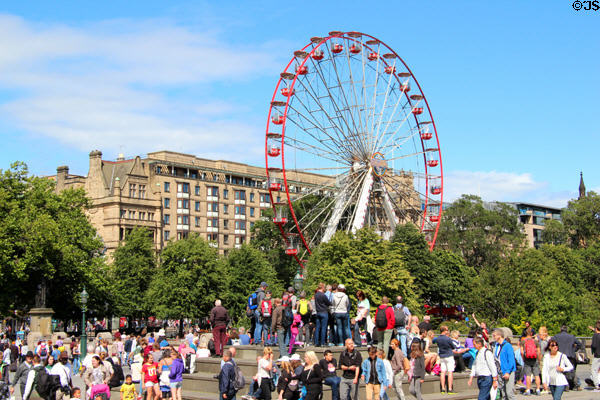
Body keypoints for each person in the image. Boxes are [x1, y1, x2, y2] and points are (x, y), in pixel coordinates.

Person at [551, 325, 583, 390]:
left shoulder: (556, 337)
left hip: (560, 355)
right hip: (570, 355)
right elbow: (580, 344)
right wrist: (574, 350)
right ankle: (577, 385)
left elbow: (551, 344)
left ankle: (566, 385)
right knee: (572, 370)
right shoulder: (571, 336)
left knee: (562, 371)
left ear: (560, 330)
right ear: (567, 330)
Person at [491, 329, 516, 400]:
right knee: (503, 393)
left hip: (508, 371)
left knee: (509, 393)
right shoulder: (496, 346)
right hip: (500, 371)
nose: (493, 337)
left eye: (494, 335)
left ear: (499, 335)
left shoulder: (507, 346)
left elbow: (511, 360)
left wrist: (508, 372)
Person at [433, 326, 458, 394]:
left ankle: (443, 389)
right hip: (449, 356)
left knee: (443, 372)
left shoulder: (437, 338)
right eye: (447, 330)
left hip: (442, 356)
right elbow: (453, 347)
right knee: (450, 372)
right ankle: (450, 389)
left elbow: (433, 341)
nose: (448, 331)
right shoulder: (448, 339)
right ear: (444, 331)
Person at [520, 327, 541, 395]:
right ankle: (538, 389)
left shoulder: (523, 341)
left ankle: (528, 389)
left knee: (528, 375)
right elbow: (538, 351)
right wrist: (539, 359)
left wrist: (523, 359)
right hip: (535, 359)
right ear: (532, 333)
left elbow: (522, 352)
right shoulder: (535, 341)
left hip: (527, 359)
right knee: (536, 375)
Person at [589, 321, 600, 389]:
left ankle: (596, 384)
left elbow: (594, 345)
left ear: (596, 328)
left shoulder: (595, 336)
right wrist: (593, 329)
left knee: (594, 370)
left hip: (597, 355)